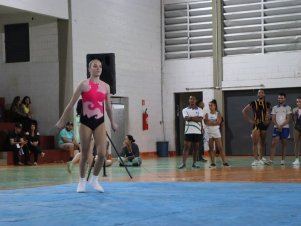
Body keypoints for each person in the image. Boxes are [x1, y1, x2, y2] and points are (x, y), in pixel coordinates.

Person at [56, 58, 117, 193]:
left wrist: (112, 122)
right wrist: (61, 120)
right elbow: (71, 103)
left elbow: (107, 107)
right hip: (85, 122)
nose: (98, 68)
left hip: (99, 121)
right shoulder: (83, 84)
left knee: (102, 153)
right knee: (84, 154)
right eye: (95, 66)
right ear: (89, 69)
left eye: (100, 66)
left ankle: (94, 180)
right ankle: (82, 181)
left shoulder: (105, 86)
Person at [242, 89, 271, 166]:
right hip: (256, 124)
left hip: (264, 125)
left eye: (262, 92)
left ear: (264, 94)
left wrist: (268, 119)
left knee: (262, 143)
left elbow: (268, 114)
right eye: (259, 93)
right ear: (257, 94)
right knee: (255, 143)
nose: (260, 94)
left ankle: (261, 159)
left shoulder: (267, 104)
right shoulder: (253, 103)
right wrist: (250, 120)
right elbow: (244, 111)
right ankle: (255, 160)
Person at [178, 95, 204, 169]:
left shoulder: (200, 110)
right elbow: (186, 118)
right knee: (186, 147)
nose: (192, 100)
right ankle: (183, 163)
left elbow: (200, 119)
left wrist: (191, 118)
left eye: (193, 99)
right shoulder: (185, 110)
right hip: (188, 131)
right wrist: (195, 118)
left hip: (197, 132)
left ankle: (194, 163)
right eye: (190, 99)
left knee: (196, 148)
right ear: (189, 100)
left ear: (195, 100)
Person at [204, 99, 229, 167]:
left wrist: (211, 123)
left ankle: (224, 162)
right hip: (209, 133)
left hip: (216, 133)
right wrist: (214, 123)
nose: (210, 107)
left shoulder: (218, 114)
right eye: (209, 105)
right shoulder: (207, 114)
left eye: (211, 105)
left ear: (215, 106)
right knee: (211, 148)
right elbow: (206, 122)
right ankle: (212, 163)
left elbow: (218, 122)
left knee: (220, 148)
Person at [268, 93, 292, 165]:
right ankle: (271, 160)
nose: (280, 99)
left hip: (285, 128)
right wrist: (278, 126)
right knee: (273, 143)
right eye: (279, 98)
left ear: (284, 99)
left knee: (284, 144)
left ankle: (283, 161)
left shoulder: (288, 107)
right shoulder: (275, 108)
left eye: (281, 98)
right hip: (276, 128)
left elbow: (288, 119)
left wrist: (281, 126)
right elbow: (273, 119)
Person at [292, 96, 301, 165]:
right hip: (297, 127)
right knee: (296, 143)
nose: (298, 103)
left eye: (300, 101)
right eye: (297, 102)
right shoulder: (294, 109)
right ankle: (297, 159)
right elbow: (292, 119)